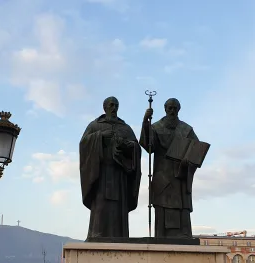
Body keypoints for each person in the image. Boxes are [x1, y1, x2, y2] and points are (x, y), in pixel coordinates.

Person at [140, 98, 206, 239]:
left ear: (178, 110)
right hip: (162, 173)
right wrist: (146, 123)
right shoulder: (155, 127)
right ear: (165, 108)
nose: (172, 110)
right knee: (162, 204)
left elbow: (197, 150)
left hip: (179, 174)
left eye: (174, 108)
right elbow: (149, 146)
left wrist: (187, 160)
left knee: (181, 205)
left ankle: (183, 234)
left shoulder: (186, 129)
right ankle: (161, 235)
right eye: (169, 108)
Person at [79, 96, 142, 239]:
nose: (114, 108)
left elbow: (136, 148)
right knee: (101, 206)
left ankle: (120, 236)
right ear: (105, 107)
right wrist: (100, 136)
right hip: (102, 174)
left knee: (118, 208)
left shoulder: (125, 128)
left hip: (120, 175)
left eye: (116, 105)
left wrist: (129, 146)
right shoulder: (95, 126)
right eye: (111, 105)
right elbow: (83, 144)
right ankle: (97, 235)